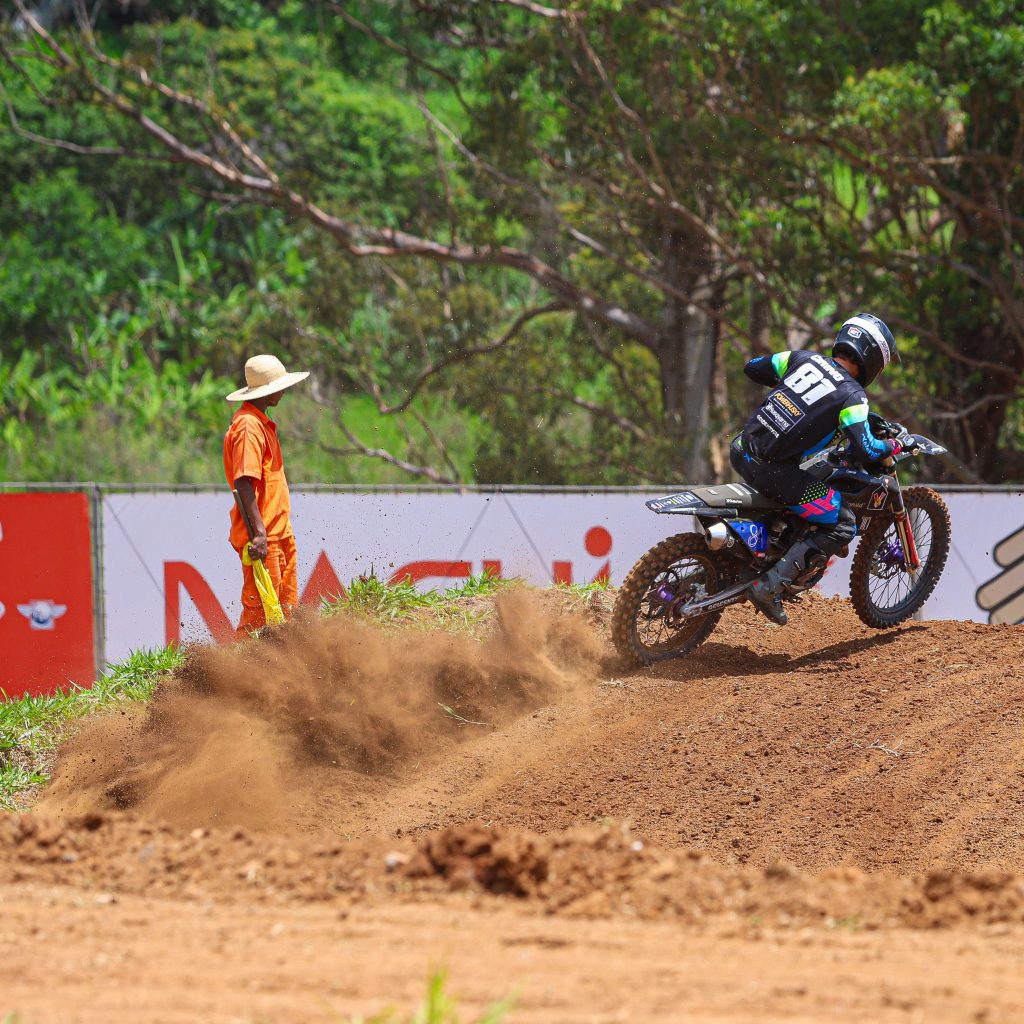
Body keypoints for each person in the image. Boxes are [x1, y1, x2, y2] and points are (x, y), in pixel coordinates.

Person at [730, 313, 915, 625]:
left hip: (741, 449)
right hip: (774, 473)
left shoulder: (803, 359)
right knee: (842, 522)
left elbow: (753, 368)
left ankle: (761, 549)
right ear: (871, 359)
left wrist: (793, 391)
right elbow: (866, 449)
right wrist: (897, 445)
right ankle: (769, 587)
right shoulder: (853, 395)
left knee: (795, 487)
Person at [223, 353, 310, 637]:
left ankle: (280, 676)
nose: (284, 391)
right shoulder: (248, 426)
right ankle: (239, 675)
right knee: (259, 618)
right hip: (265, 539)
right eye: (279, 386)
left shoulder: (261, 423)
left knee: (284, 615)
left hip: (280, 533)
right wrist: (259, 534)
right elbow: (244, 482)